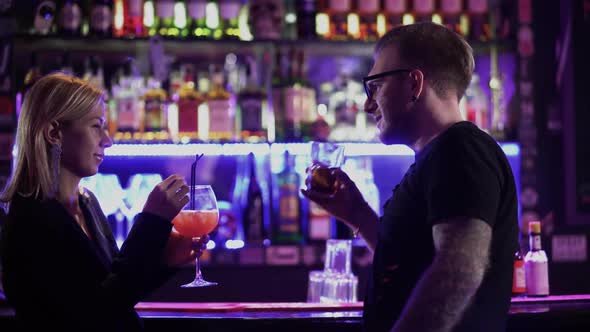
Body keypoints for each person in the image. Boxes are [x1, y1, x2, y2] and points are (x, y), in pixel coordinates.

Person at [302, 22, 518, 332]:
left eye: (375, 85)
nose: (367, 103)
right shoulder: (439, 156)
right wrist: (357, 214)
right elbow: (407, 264)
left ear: (414, 84)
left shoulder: (460, 149)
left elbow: (458, 270)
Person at [0, 73, 208, 331]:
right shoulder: (32, 219)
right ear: (54, 132)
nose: (107, 141)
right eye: (96, 126)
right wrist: (152, 222)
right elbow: (95, 315)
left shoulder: (86, 202)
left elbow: (118, 287)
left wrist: (165, 259)